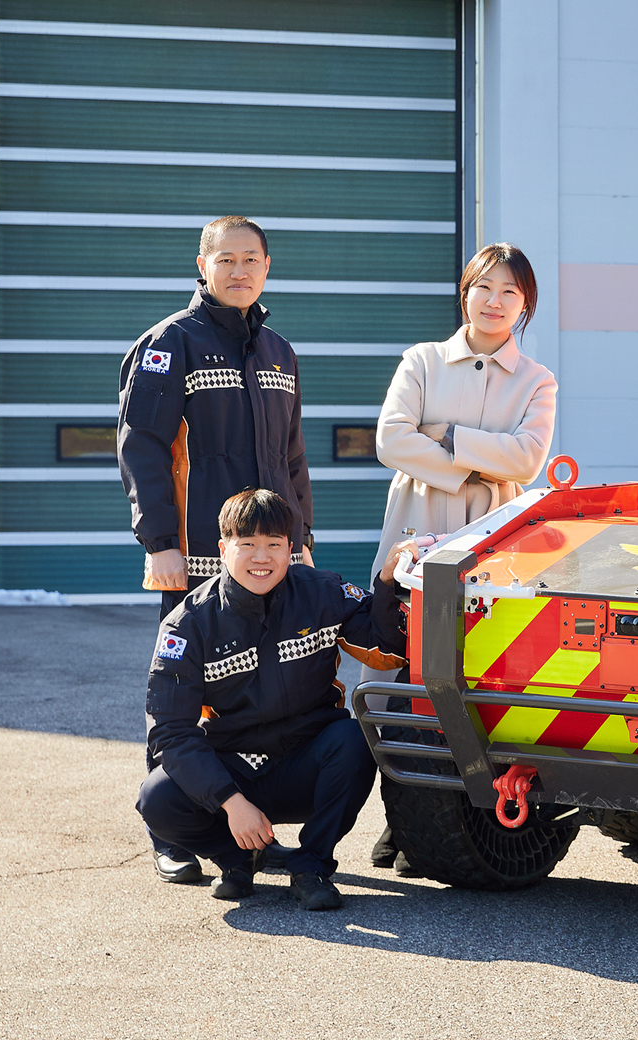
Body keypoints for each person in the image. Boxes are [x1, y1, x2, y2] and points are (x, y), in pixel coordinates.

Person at [118, 215, 315, 884]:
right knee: (180, 702)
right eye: (224, 259)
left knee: (261, 702)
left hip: (269, 562)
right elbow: (141, 447)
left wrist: (303, 541)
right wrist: (159, 543)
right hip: (196, 559)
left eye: (250, 259)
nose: (238, 270)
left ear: (267, 268)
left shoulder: (280, 353)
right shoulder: (169, 344)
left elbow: (292, 460)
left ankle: (242, 830)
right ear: (201, 266)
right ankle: (169, 830)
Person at [361, 242, 557, 871]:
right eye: (484, 288)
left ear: (524, 305)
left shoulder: (537, 380)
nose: (494, 302)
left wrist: (446, 437)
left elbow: (528, 460)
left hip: (493, 537)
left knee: (469, 681)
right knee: (393, 676)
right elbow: (392, 440)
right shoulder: (422, 361)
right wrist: (478, 458)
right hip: (415, 527)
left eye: (510, 292)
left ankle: (434, 824)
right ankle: (402, 820)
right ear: (465, 292)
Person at [137, 488, 413, 910]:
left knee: (355, 739)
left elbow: (385, 645)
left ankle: (312, 865)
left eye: (274, 545)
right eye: (247, 544)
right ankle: (239, 858)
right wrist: (231, 803)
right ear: (222, 548)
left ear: (292, 550)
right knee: (157, 797)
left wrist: (388, 582)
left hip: (305, 763)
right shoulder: (188, 624)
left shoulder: (324, 592)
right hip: (233, 769)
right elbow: (170, 733)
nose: (261, 557)